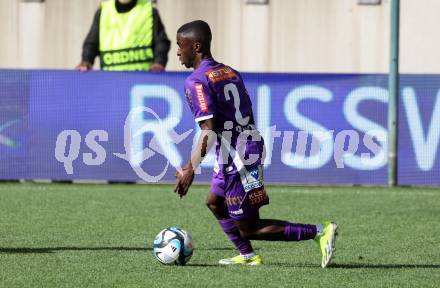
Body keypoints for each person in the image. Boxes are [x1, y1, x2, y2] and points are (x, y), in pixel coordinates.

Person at [174, 20, 338, 267]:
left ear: (196, 46)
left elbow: (208, 132)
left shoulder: (196, 81)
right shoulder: (229, 72)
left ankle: (319, 231)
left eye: (180, 46)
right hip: (237, 148)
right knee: (214, 202)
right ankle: (248, 255)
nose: (177, 52)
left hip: (239, 155)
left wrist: (190, 169)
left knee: (249, 227)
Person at [76, 0, 170, 72]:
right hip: (111, 79)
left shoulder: (148, 10)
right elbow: (91, 43)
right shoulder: (103, 11)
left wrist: (159, 63)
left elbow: (161, 42)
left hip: (142, 77)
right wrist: (86, 61)